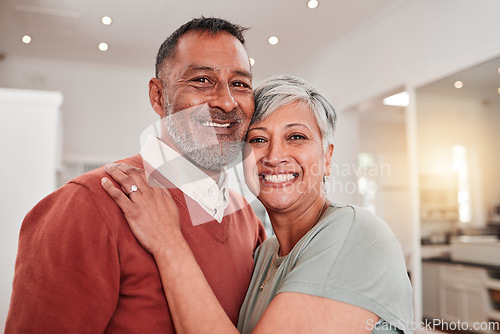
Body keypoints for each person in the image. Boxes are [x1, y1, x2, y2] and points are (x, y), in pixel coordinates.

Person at [5, 17, 266, 333]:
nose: (226, 101)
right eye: (201, 80)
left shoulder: (247, 222)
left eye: (240, 84)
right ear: (158, 97)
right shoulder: (87, 204)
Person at [102, 75, 414, 333]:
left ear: (328, 157)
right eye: (258, 140)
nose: (274, 156)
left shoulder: (356, 233)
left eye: (296, 137)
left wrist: (168, 242)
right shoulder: (265, 253)